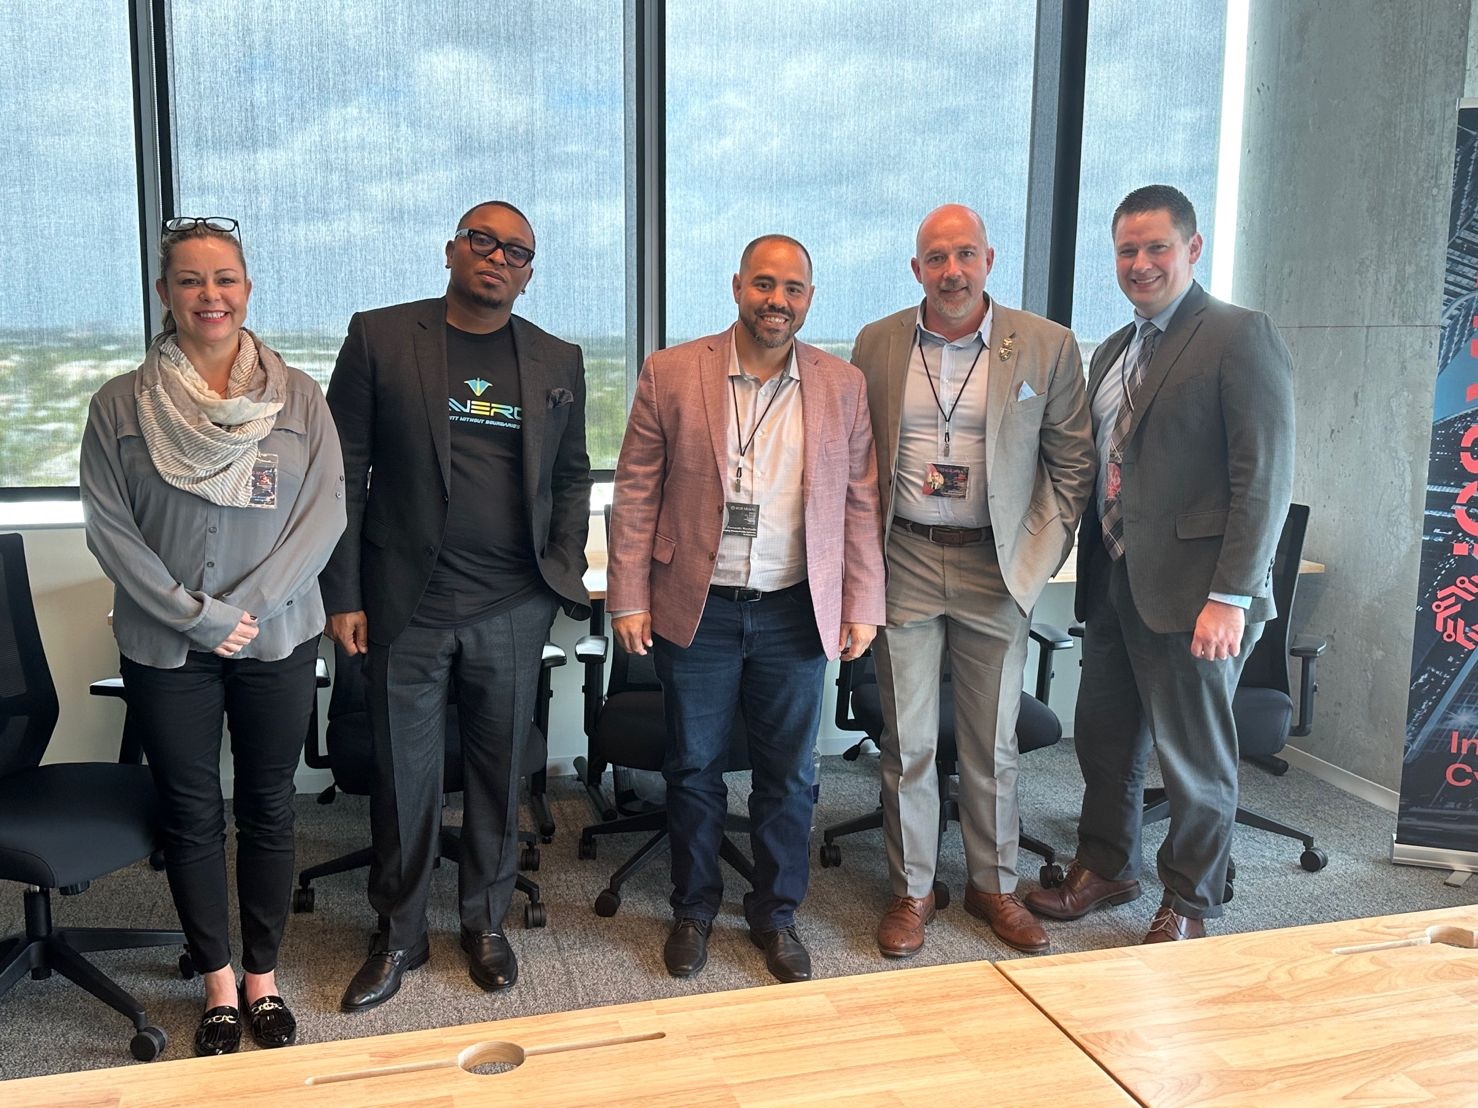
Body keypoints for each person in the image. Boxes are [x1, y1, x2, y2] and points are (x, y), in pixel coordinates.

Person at [80, 216, 345, 1056]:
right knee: (192, 813)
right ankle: (219, 984)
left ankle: (264, 977)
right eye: (190, 280)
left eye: (224, 278)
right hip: (165, 644)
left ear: (247, 287)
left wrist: (250, 608)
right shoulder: (120, 402)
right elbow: (107, 528)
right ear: (165, 294)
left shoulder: (297, 395)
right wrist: (197, 616)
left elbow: (324, 512)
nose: (209, 295)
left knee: (268, 806)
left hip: (276, 635)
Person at [323, 201, 591, 1011]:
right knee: (404, 779)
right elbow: (345, 474)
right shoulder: (381, 337)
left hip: (512, 605)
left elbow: (573, 474)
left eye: (516, 250)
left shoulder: (555, 357)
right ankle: (399, 933)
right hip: (406, 604)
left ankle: (485, 922)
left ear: (528, 270)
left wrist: (560, 568)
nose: (497, 257)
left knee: (499, 773)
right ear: (452, 249)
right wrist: (345, 595)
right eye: (483, 240)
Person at [607, 234, 884, 983]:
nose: (778, 301)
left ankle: (776, 914)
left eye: (793, 288)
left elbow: (860, 502)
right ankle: (693, 908)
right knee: (694, 767)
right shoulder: (672, 372)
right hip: (699, 606)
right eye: (764, 284)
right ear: (737, 287)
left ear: (809, 299)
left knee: (789, 774)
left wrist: (862, 602)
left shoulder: (842, 385)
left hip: (797, 608)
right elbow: (635, 491)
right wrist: (627, 592)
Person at [1023, 185, 1294, 942]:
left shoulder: (1239, 336)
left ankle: (1193, 900)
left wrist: (1232, 596)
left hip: (1197, 596)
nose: (1140, 264)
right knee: (1105, 741)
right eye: (1127, 251)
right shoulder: (1112, 349)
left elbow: (1263, 478)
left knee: (1193, 761)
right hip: (1114, 584)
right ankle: (1107, 866)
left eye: (1157, 248)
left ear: (1193, 249)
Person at [850, 204, 1094, 959]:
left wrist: (1034, 560)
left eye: (964, 255)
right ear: (915, 268)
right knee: (910, 741)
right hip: (908, 559)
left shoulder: (1046, 346)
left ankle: (994, 885)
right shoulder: (878, 344)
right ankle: (913, 890)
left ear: (989, 259)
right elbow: (858, 460)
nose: (951, 271)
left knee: (995, 742)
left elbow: (1072, 466)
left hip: (998, 565)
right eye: (935, 258)